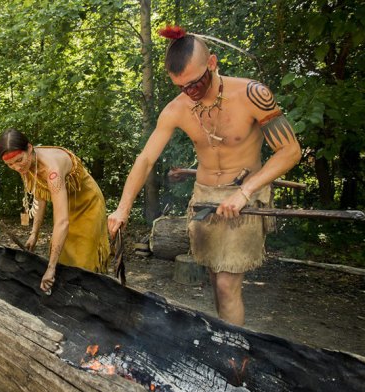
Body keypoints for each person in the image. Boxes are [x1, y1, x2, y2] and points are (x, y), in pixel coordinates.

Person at [107, 26, 301, 326]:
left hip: (246, 195)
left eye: (196, 83)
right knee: (215, 278)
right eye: (182, 87)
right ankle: (226, 340)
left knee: (226, 285)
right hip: (205, 200)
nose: (190, 92)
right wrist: (122, 208)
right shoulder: (176, 109)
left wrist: (245, 192)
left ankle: (234, 357)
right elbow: (145, 159)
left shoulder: (253, 94)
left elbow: (290, 151)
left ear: (212, 63)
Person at [0, 128, 110, 293]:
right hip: (66, 204)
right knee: (65, 255)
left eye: (18, 160)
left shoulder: (53, 172)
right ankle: (70, 292)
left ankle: (91, 294)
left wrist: (50, 268)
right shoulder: (26, 163)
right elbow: (41, 193)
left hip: (88, 205)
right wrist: (34, 233)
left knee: (84, 258)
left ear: (29, 148)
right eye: (10, 164)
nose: (16, 167)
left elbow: (61, 222)